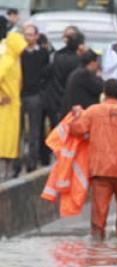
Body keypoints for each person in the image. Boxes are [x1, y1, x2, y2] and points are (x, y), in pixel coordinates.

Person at [69, 79, 117, 240]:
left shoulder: (93, 111)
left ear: (104, 92)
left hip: (100, 170)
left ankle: (97, 247)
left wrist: (77, 115)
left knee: (99, 217)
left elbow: (76, 129)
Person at [41, 27, 84, 166]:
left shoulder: (57, 56)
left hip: (53, 98)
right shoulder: (78, 61)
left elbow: (46, 73)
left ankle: (48, 157)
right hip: (69, 100)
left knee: (53, 130)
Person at [19, 23, 50, 173]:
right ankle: (17, 163)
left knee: (34, 131)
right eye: (26, 34)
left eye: (31, 35)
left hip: (36, 95)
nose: (28, 38)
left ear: (37, 36)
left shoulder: (43, 53)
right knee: (18, 132)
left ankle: (32, 162)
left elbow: (47, 73)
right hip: (20, 95)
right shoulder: (19, 52)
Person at [0, 32, 25, 180]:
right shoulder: (7, 61)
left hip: (14, 107)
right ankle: (3, 172)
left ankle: (8, 172)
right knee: (4, 139)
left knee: (11, 140)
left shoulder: (14, 61)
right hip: (5, 108)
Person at [62, 49, 104, 113]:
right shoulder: (84, 74)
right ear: (92, 63)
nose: (98, 66)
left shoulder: (77, 72)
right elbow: (101, 87)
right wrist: (99, 76)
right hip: (79, 114)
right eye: (97, 63)